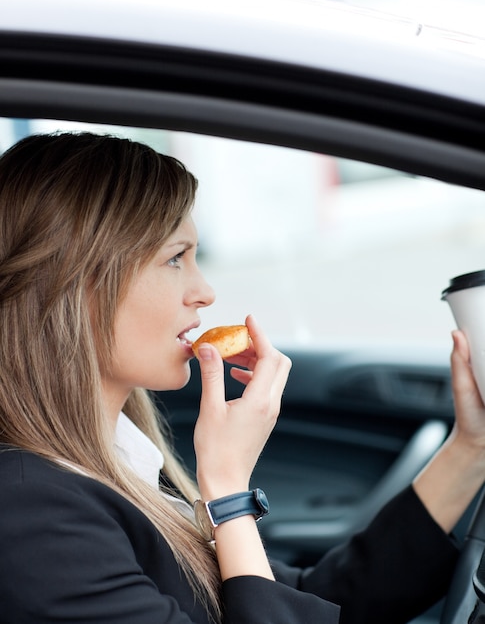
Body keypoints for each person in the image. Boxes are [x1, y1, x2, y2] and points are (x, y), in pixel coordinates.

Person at [0, 131, 483, 624]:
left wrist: (471, 446)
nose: (204, 292)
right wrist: (228, 492)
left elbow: (312, 599)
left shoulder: (116, 458)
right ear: (75, 287)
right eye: (174, 258)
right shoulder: (30, 511)